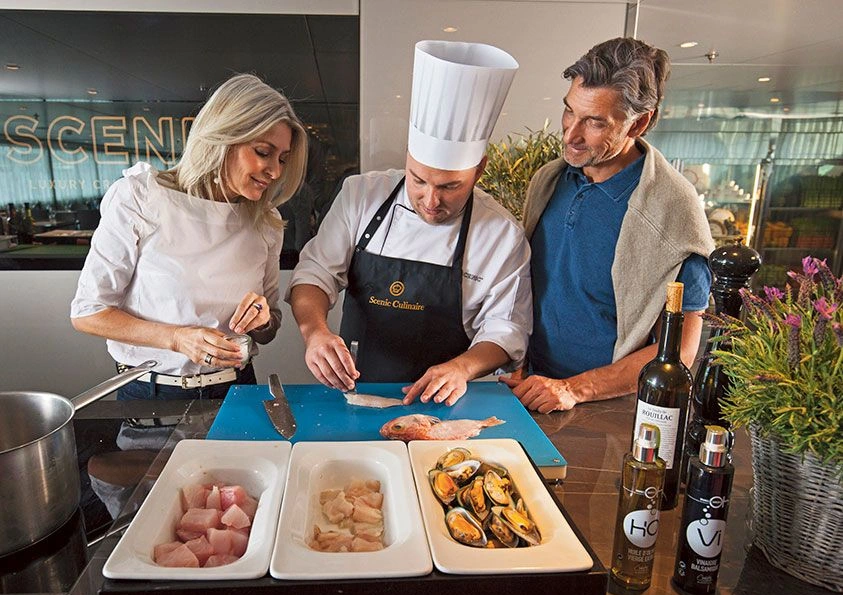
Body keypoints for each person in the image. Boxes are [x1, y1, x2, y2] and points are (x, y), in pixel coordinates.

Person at [287, 40, 532, 407]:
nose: (431, 201)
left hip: (445, 403)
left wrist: (463, 368)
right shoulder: (361, 195)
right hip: (355, 393)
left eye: (450, 186)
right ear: (407, 159)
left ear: (479, 171)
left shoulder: (501, 235)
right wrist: (315, 332)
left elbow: (507, 328)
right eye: (418, 180)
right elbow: (315, 273)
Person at [501, 38, 715, 413]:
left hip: (608, 405)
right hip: (535, 390)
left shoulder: (674, 210)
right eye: (570, 112)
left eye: (595, 123)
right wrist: (520, 359)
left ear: (641, 123)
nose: (571, 134)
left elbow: (680, 348)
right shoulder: (550, 180)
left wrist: (576, 389)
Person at [71, 74, 308, 400]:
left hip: (239, 388)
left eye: (282, 158)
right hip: (154, 392)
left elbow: (268, 330)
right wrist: (177, 338)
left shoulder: (265, 222)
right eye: (263, 152)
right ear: (222, 138)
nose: (276, 171)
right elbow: (89, 313)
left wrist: (262, 320)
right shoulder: (140, 198)